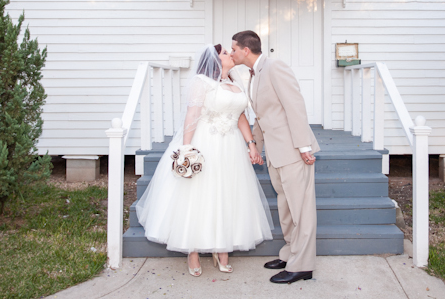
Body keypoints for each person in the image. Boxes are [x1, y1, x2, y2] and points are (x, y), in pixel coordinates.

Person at [135, 44, 273, 277]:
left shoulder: (235, 83)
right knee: (198, 195)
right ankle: (193, 250)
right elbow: (192, 114)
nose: (230, 54)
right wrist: (187, 148)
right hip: (205, 143)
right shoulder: (202, 82)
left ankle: (222, 247)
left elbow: (240, 116)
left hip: (231, 147)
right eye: (225, 53)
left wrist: (251, 144)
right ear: (215, 60)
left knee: (228, 194)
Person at [231, 30, 320, 284]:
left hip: (293, 149)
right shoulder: (254, 74)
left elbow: (295, 105)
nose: (232, 53)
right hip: (275, 152)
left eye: (234, 49)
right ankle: (290, 253)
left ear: (246, 50)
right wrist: (255, 146)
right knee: (286, 208)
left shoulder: (274, 66)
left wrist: (303, 145)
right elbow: (263, 116)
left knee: (300, 210)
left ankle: (302, 265)